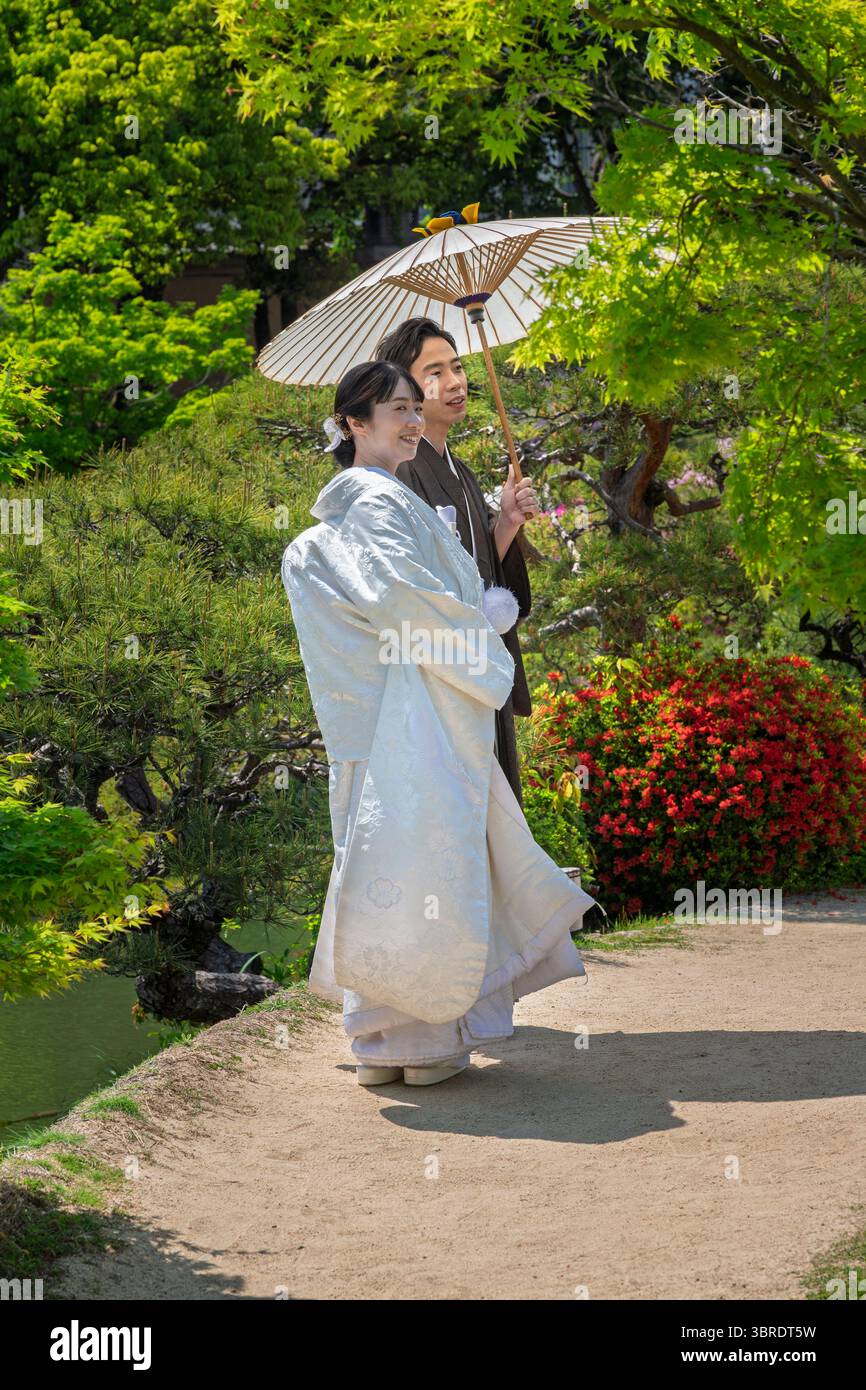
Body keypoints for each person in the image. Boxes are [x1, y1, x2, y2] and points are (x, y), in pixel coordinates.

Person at [280, 361, 595, 1088]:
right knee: (424, 861)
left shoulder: (373, 501)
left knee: (383, 863)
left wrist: (500, 533)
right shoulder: (376, 502)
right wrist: (482, 640)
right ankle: (416, 1042)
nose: (414, 419)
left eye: (412, 407)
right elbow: (404, 601)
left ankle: (386, 1039)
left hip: (392, 718)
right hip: (415, 721)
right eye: (396, 409)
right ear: (354, 423)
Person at [374, 318, 536, 808]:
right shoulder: (402, 472)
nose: (456, 382)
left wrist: (505, 522)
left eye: (458, 367)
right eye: (435, 372)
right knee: (464, 807)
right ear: (405, 390)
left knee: (499, 801)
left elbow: (484, 566)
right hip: (448, 668)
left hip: (482, 658)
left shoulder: (457, 469)